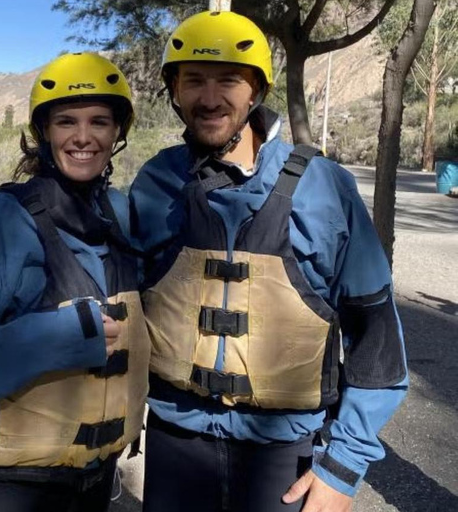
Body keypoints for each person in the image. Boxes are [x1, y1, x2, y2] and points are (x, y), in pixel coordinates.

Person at [129, 11, 408, 512]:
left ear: (255, 89)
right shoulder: (156, 182)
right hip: (174, 450)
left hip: (285, 456)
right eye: (193, 80)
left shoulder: (326, 187)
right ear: (174, 90)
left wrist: (341, 470)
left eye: (229, 80)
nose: (210, 98)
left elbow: (377, 343)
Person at [0, 52, 150, 512]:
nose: (83, 137)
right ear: (43, 133)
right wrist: (59, 336)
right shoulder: (0, 217)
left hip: (94, 482)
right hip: (5, 489)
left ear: (117, 133)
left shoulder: (118, 213)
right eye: (66, 122)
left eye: (99, 121)